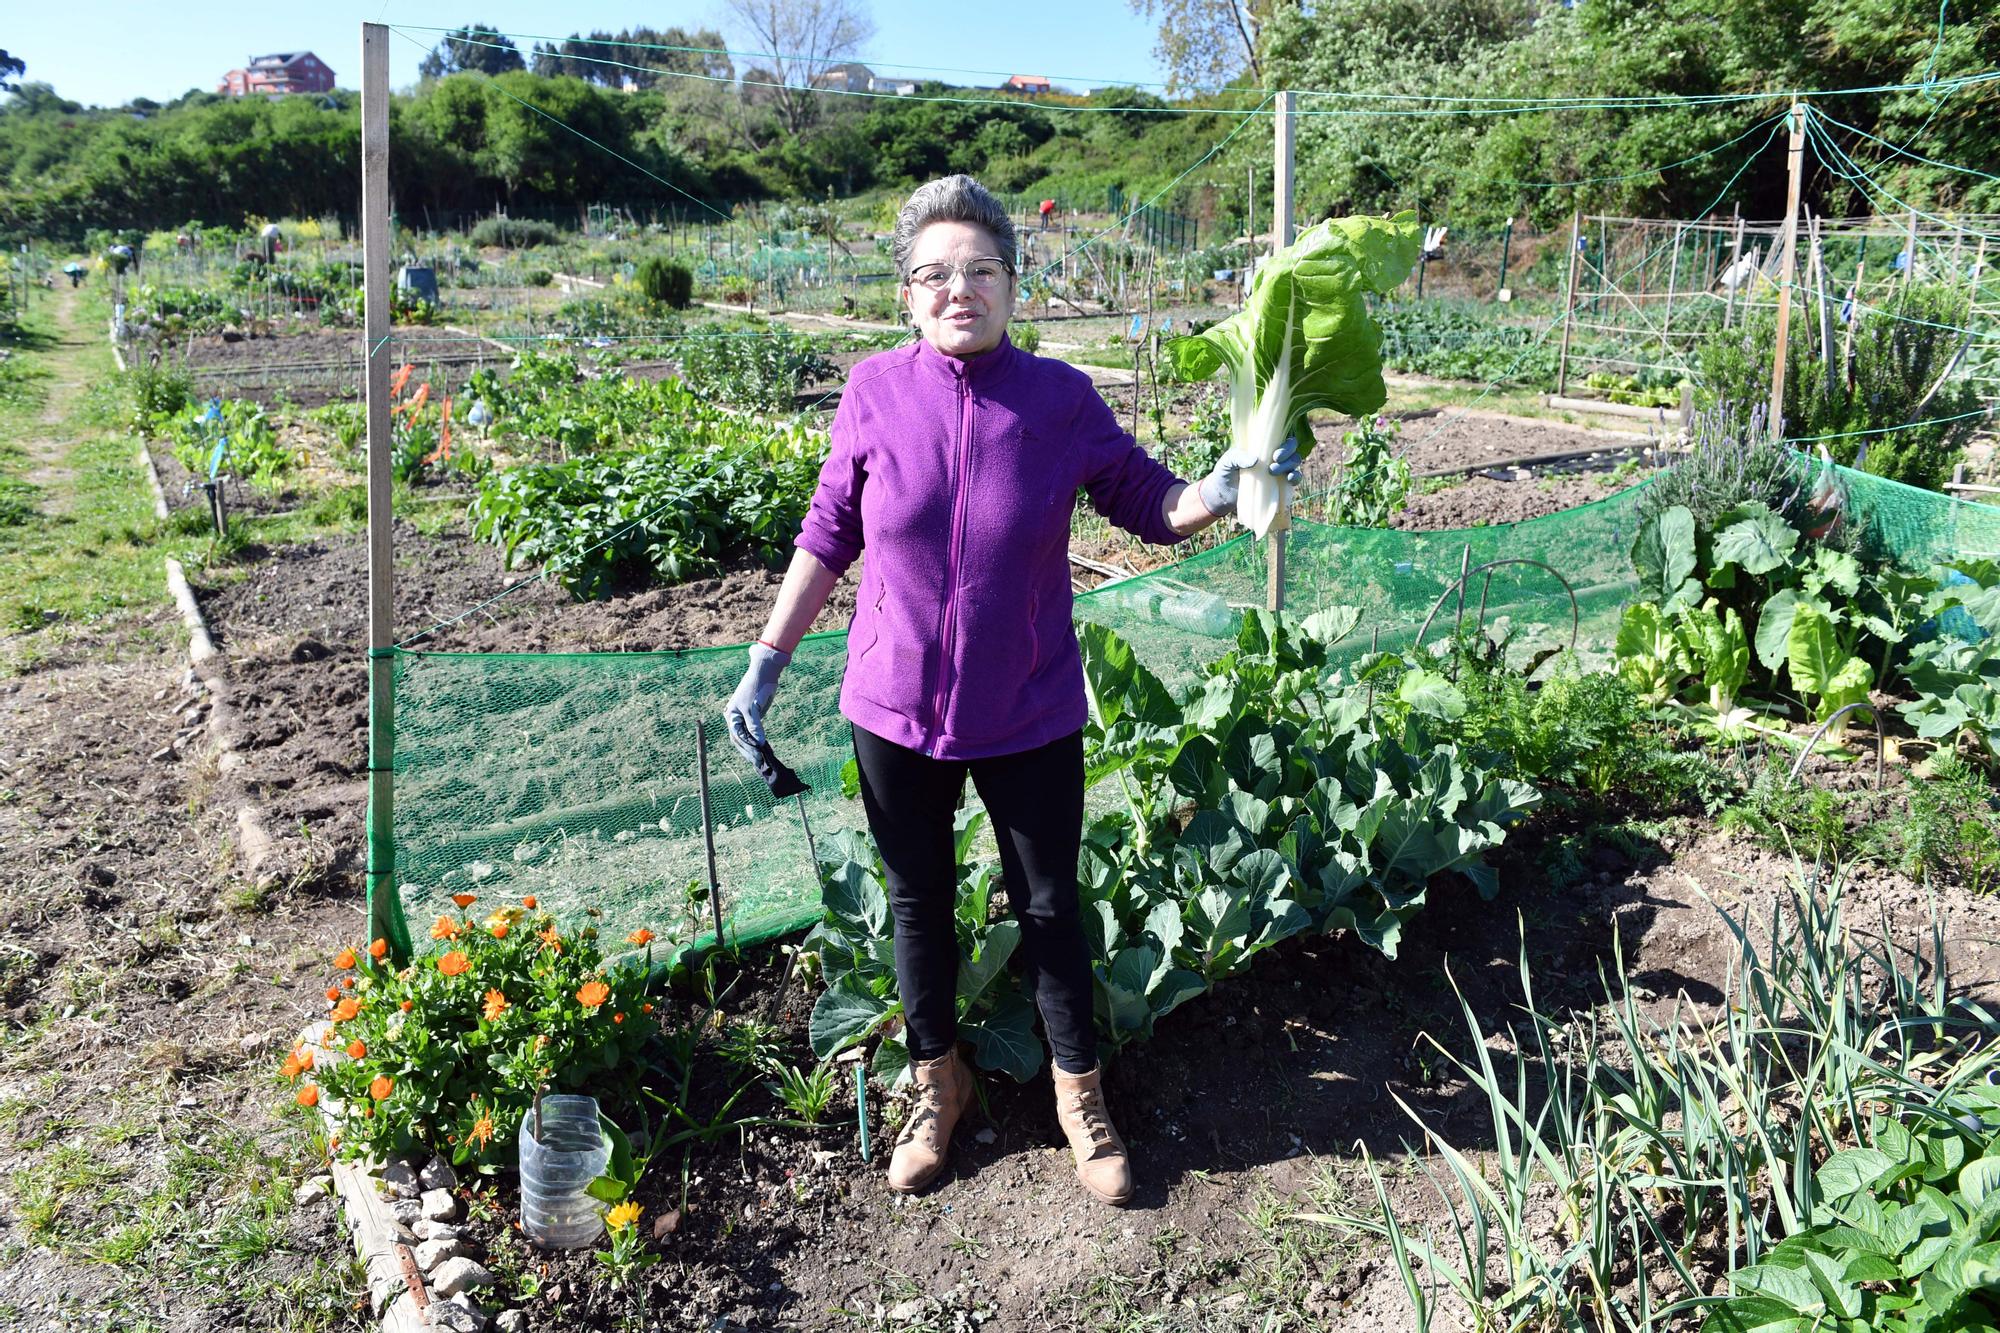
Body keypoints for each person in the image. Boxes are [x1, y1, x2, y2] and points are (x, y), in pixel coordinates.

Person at [724, 174, 1299, 1207]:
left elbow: (1146, 503)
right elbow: (828, 532)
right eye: (934, 274)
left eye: (980, 270)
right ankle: (936, 1089)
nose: (958, 290)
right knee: (917, 903)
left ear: (1011, 283)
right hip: (892, 708)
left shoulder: (1058, 398)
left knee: (1047, 907)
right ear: (907, 293)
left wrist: (1218, 488)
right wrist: (768, 657)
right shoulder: (872, 391)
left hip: (1029, 707)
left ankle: (1080, 1097)